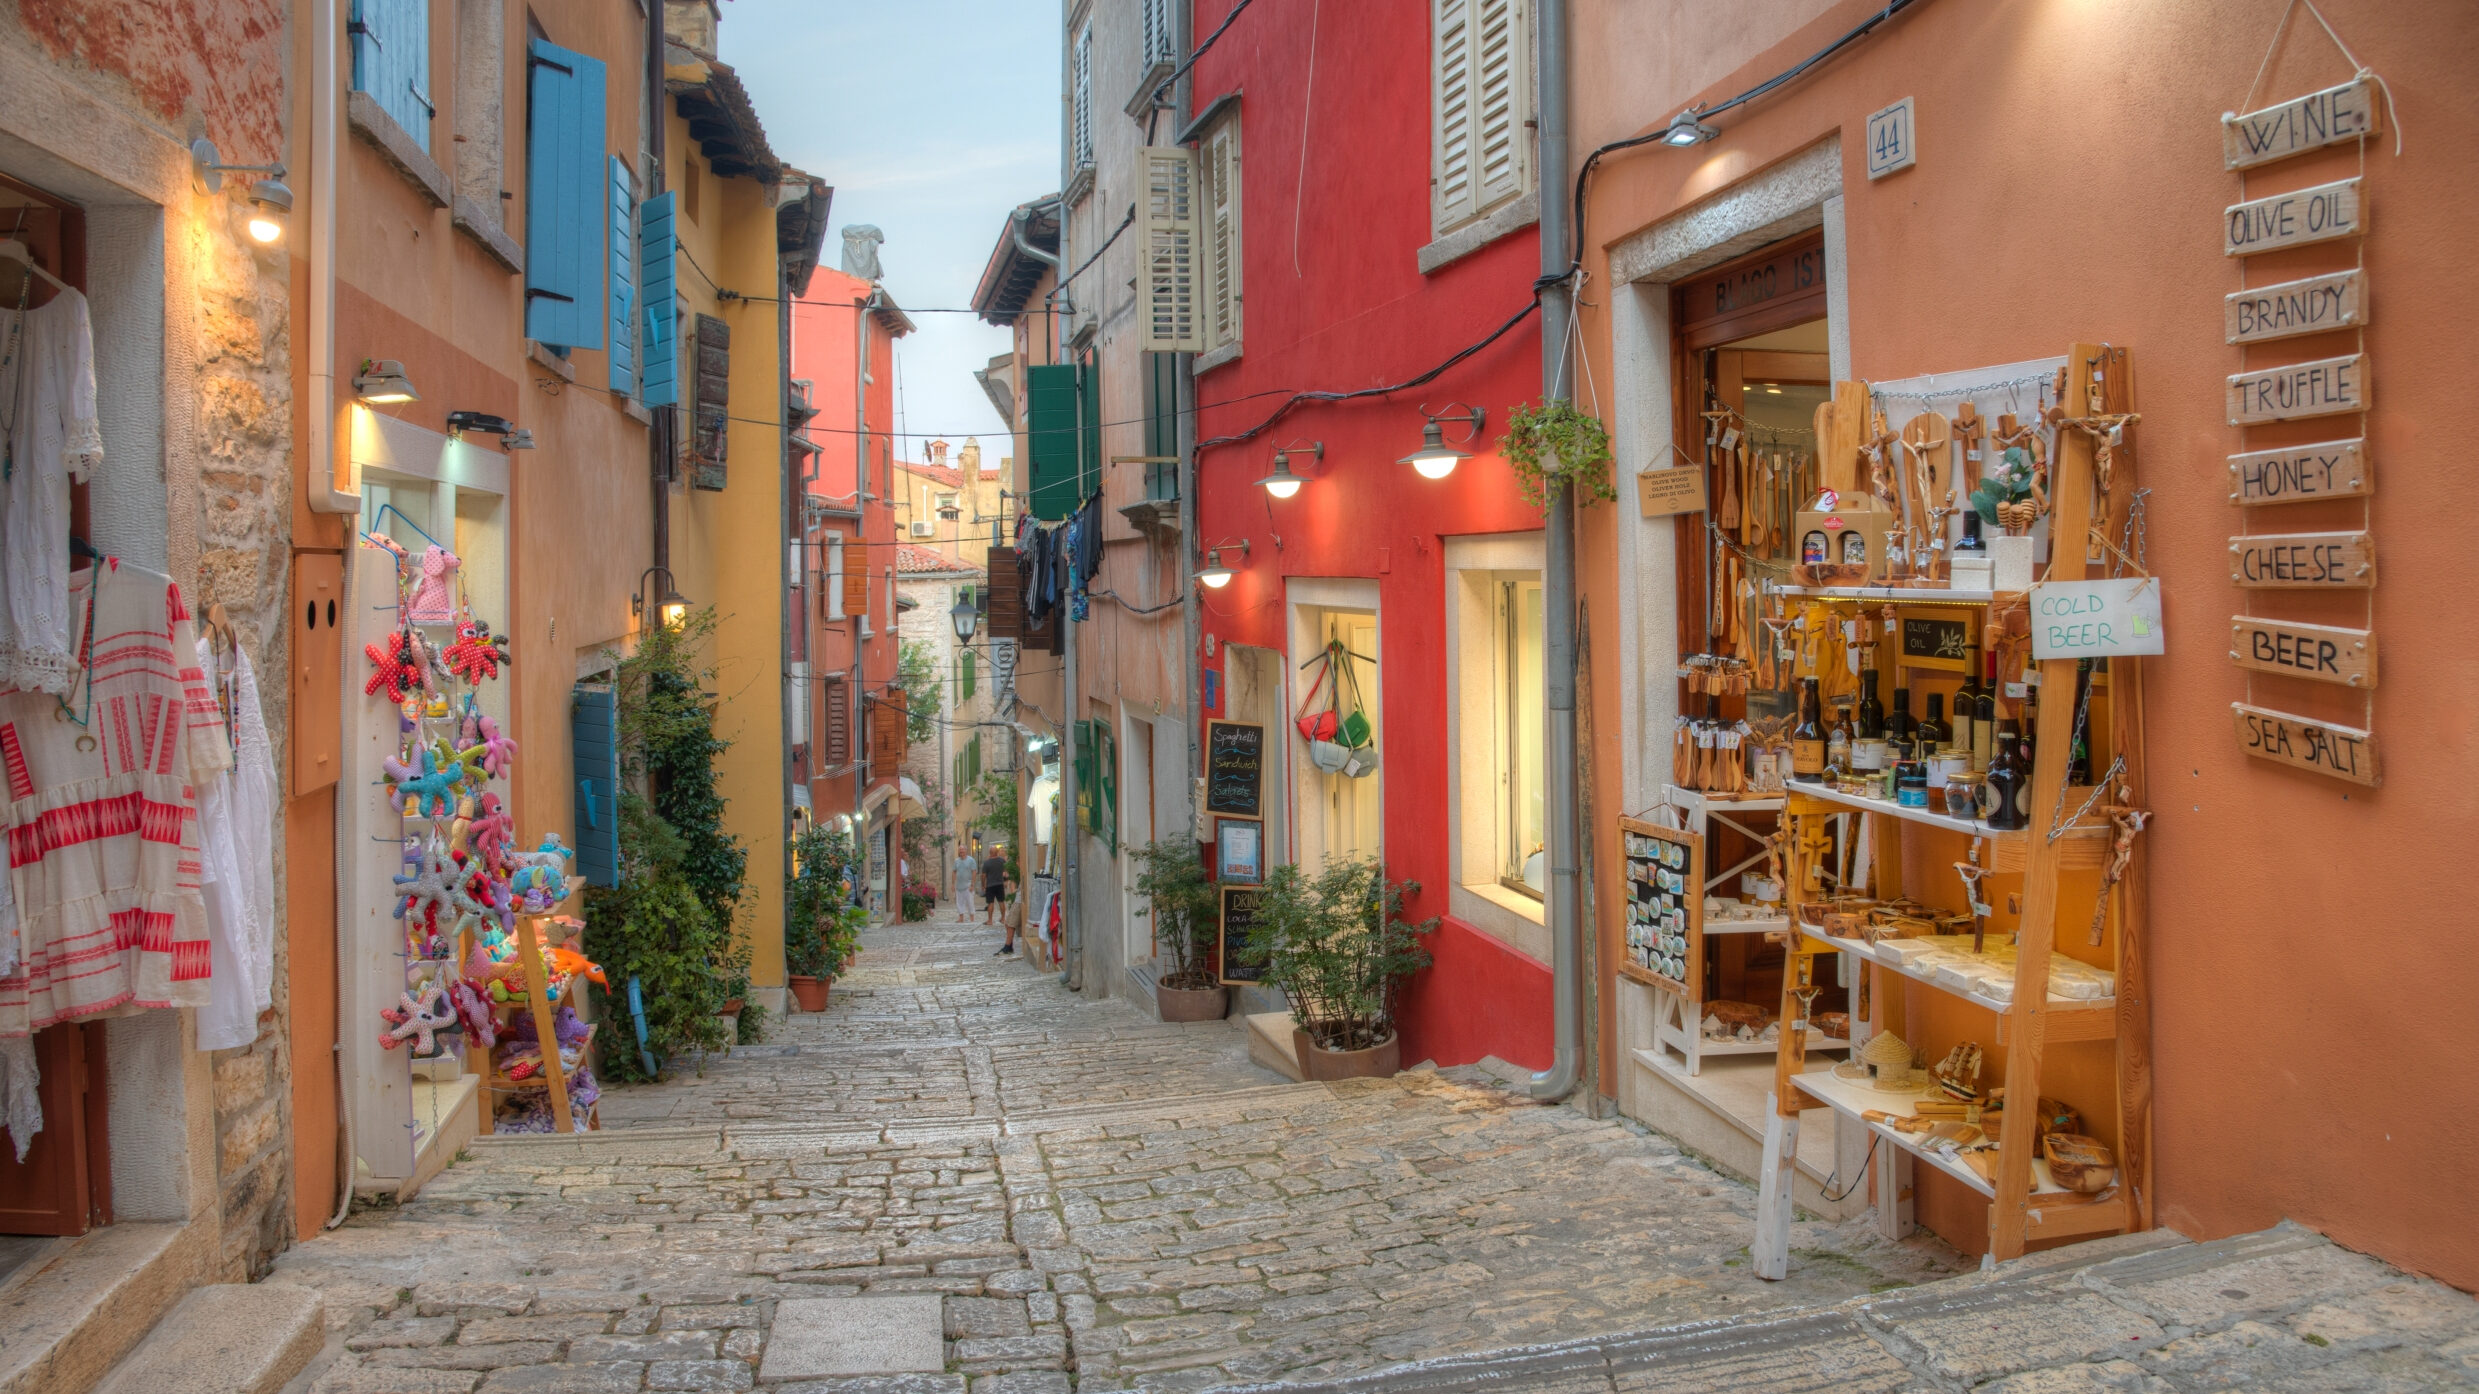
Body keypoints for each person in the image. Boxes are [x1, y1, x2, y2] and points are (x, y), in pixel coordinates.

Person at [981, 844, 1012, 947]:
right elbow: (1006, 871)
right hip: (999, 884)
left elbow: (983, 875)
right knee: (1001, 901)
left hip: (990, 884)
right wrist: (1006, 880)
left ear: (990, 853)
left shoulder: (987, 863)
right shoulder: (1001, 861)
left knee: (990, 902)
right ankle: (1003, 918)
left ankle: (990, 920)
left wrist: (983, 885)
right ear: (997, 852)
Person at [953, 844, 977, 913]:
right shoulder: (956, 861)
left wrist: (972, 884)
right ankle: (961, 917)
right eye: (960, 850)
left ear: (966, 851)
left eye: (962, 849)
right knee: (959, 903)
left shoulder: (971, 860)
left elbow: (974, 872)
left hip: (968, 885)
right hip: (959, 886)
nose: (961, 851)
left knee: (970, 903)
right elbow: (954, 872)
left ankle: (972, 918)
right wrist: (953, 883)